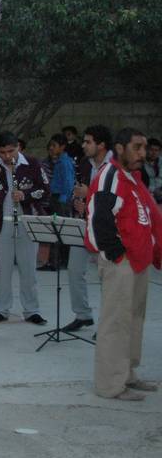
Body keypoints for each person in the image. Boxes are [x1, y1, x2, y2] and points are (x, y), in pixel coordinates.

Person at [85, 127, 162, 401]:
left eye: (144, 148)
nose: (143, 153)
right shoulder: (110, 175)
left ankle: (127, 374)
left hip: (138, 263)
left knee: (134, 321)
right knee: (115, 323)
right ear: (119, 148)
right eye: (137, 147)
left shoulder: (133, 177)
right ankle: (110, 385)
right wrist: (117, 254)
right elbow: (98, 217)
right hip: (121, 263)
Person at [0, 132, 50, 325]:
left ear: (18, 147)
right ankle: (0, 309)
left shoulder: (32, 164)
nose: (8, 156)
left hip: (27, 222)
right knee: (2, 270)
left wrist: (26, 195)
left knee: (29, 270)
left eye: (11, 151)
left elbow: (45, 189)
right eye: (3, 152)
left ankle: (32, 310)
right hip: (2, 224)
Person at [62, 125, 113, 333]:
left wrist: (89, 193)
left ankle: (108, 324)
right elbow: (79, 190)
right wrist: (78, 201)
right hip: (84, 223)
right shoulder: (84, 163)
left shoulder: (116, 165)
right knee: (74, 270)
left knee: (107, 276)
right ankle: (83, 314)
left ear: (101, 145)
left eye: (88, 142)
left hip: (108, 228)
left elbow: (115, 196)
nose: (83, 145)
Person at [38, 134, 75, 271]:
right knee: (57, 230)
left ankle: (56, 262)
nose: (51, 148)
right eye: (51, 146)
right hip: (56, 199)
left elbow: (68, 184)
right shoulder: (60, 161)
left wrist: (62, 202)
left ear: (63, 147)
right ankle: (59, 261)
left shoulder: (65, 162)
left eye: (54, 146)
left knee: (57, 230)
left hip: (60, 200)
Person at [141, 137, 162, 203]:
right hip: (147, 193)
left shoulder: (160, 162)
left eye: (156, 150)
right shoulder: (141, 164)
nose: (154, 153)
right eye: (151, 150)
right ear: (146, 150)